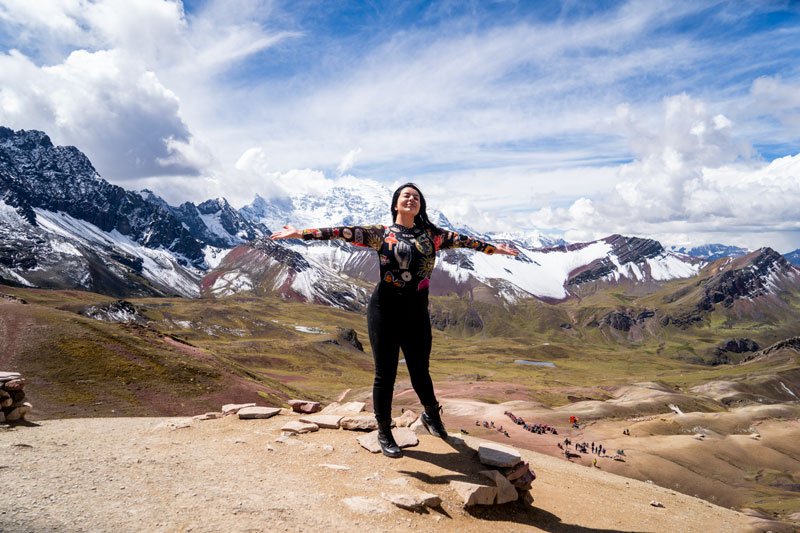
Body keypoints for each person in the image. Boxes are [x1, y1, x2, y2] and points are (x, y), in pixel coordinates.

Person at [270, 182, 518, 458]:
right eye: (406, 195)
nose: (411, 199)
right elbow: (341, 232)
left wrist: (494, 250)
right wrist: (300, 233)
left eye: (416, 197)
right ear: (396, 204)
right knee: (384, 374)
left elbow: (466, 241)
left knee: (420, 371)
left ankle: (431, 416)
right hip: (384, 310)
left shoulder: (433, 235)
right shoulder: (381, 234)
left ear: (421, 205)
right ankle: (385, 430)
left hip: (416, 312)